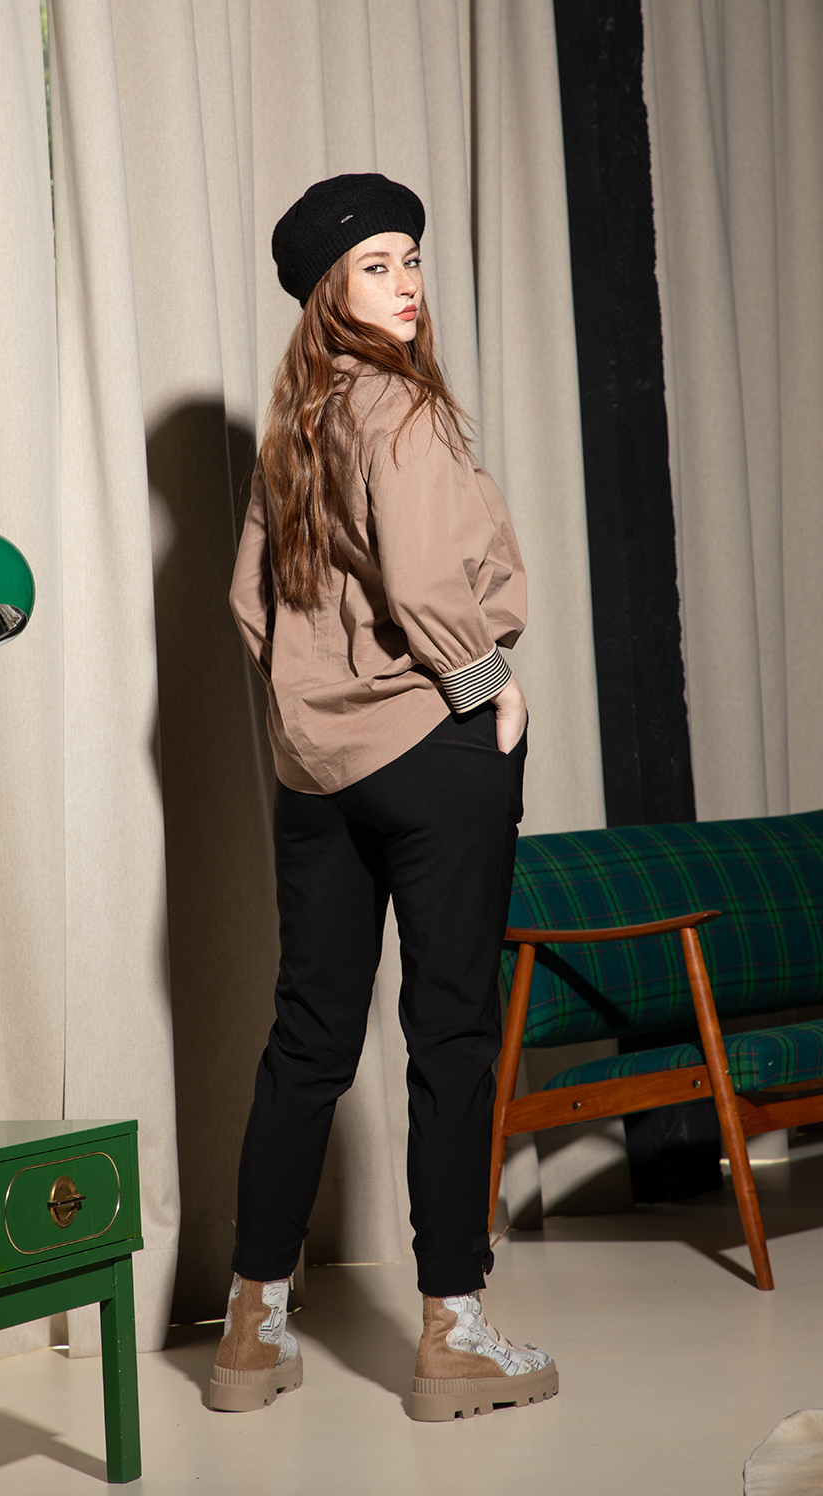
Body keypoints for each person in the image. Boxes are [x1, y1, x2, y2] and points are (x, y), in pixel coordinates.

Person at [211, 173, 557, 1423]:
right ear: (329, 290)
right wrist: (485, 686)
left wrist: (313, 707)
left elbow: (248, 603)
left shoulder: (293, 426)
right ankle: (453, 1331)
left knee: (308, 1038)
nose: (405, 282)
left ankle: (251, 1331)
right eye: (376, 264)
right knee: (449, 1034)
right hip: (431, 750)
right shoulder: (401, 407)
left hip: (315, 772)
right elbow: (422, 579)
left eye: (410, 258)